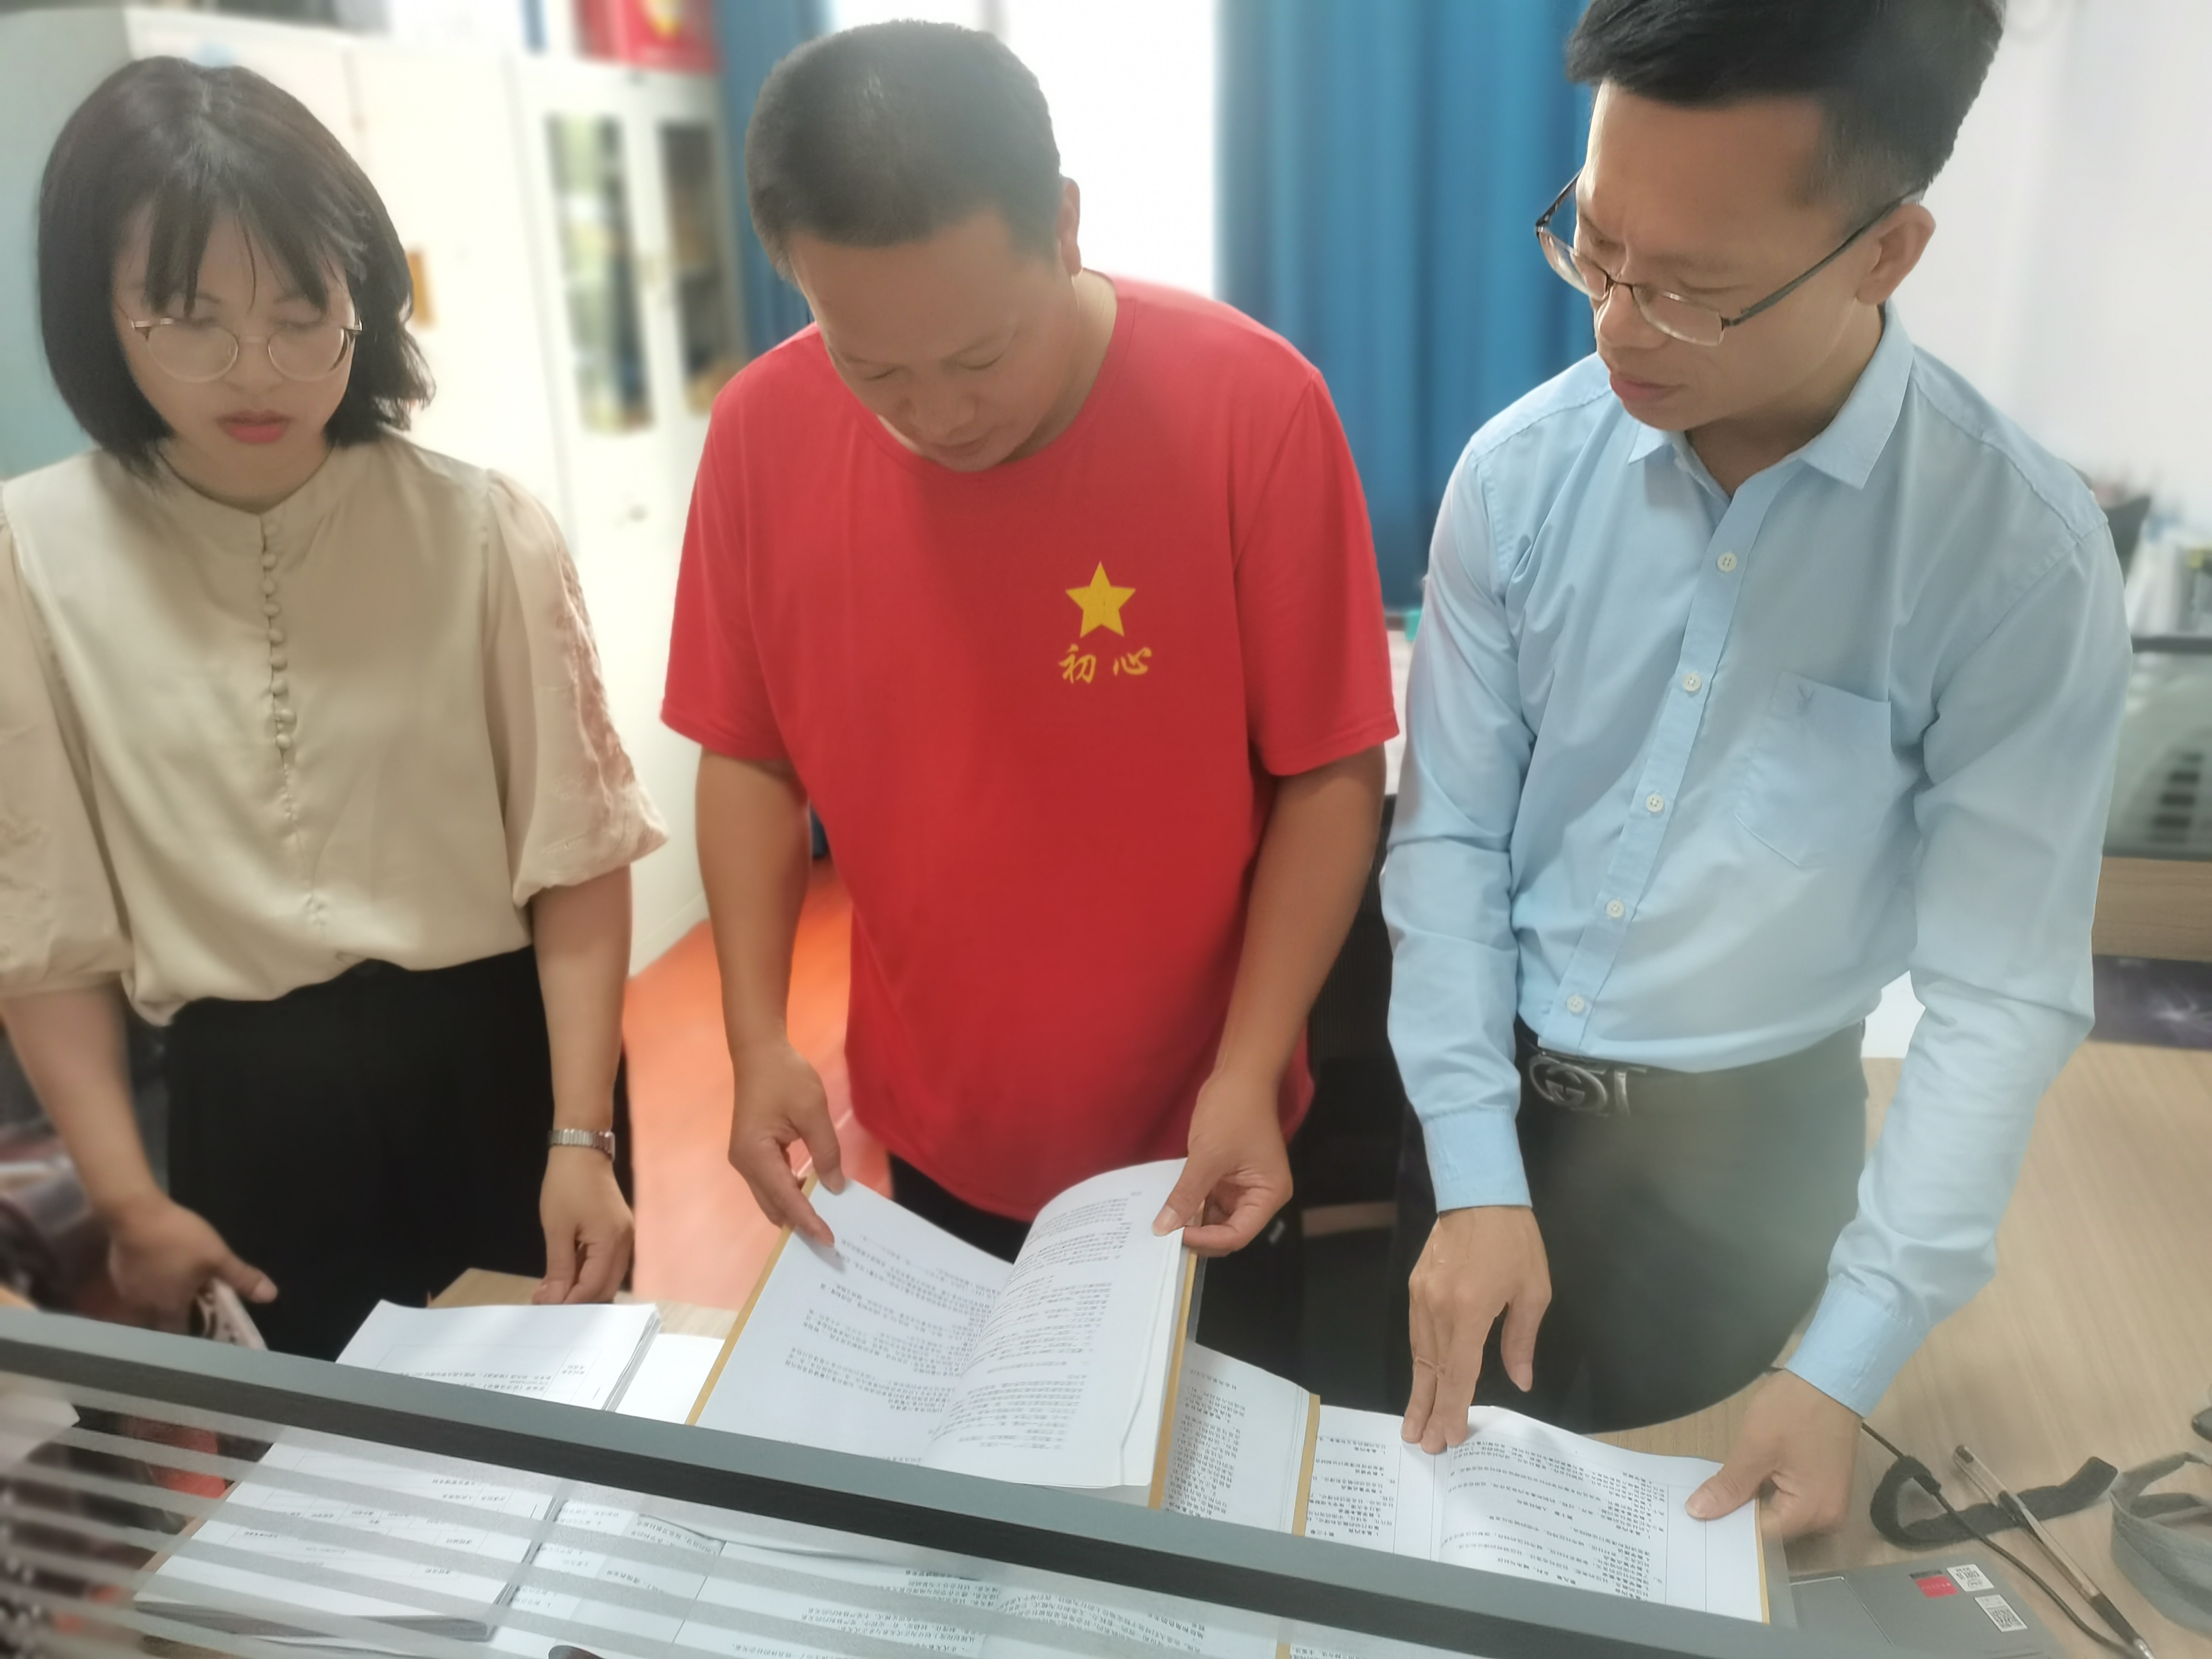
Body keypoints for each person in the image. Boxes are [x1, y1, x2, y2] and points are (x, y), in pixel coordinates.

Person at [1383, 0, 2130, 1536]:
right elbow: (1450, 839)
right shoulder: (1518, 476)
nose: (1618, 327)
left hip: (1746, 1167)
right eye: (1596, 250)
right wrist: (1470, 1165)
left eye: (1694, 292)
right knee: (1436, 1523)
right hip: (1478, 1100)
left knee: (1694, 1546)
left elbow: (1998, 993)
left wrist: (1848, 1361)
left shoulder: (2015, 557)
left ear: (1885, 252)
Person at [663, 22, 1395, 1361]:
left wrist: (1249, 1066)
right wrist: (755, 1038)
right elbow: (749, 752)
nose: (938, 414)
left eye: (980, 355)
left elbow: (1330, 770)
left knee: (1205, 1469)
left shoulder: (1253, 409)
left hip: (1204, 1126)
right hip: (937, 1128)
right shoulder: (761, 437)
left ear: (1063, 224)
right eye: (873, 367)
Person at [0, 60, 664, 1358]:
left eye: (304, 313)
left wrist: (581, 1138)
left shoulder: (480, 529)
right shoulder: (32, 559)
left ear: (363, 295)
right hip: (246, 1107)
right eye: (188, 318)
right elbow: (45, 922)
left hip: (504, 1074)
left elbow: (578, 857)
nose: (258, 370)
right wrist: (128, 1200)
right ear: (98, 307)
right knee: (314, 1463)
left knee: (557, 1427)